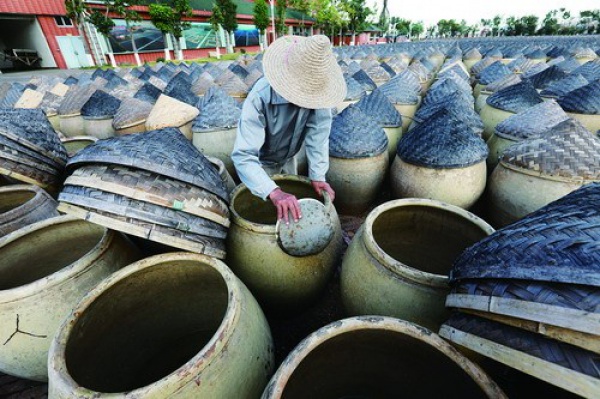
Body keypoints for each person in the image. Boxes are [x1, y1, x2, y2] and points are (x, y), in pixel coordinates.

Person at [231, 35, 346, 224]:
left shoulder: (318, 95)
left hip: (289, 157)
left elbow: (319, 138)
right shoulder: (259, 97)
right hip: (260, 163)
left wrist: (317, 176)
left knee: (291, 213)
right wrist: (273, 191)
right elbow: (244, 155)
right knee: (265, 210)